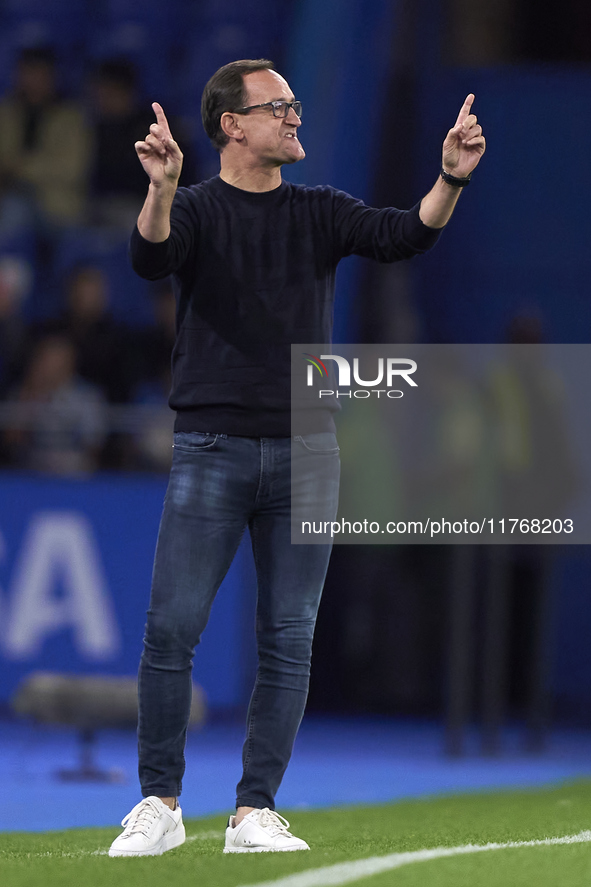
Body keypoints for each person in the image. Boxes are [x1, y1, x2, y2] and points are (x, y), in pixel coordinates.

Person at [108, 58, 485, 858]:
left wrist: (448, 179)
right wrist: (161, 187)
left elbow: (403, 234)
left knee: (289, 636)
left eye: (294, 104)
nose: (293, 116)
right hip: (210, 443)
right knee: (171, 629)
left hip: (308, 448)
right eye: (276, 106)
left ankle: (253, 811)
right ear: (230, 126)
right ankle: (160, 802)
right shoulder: (198, 208)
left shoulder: (318, 210)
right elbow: (150, 257)